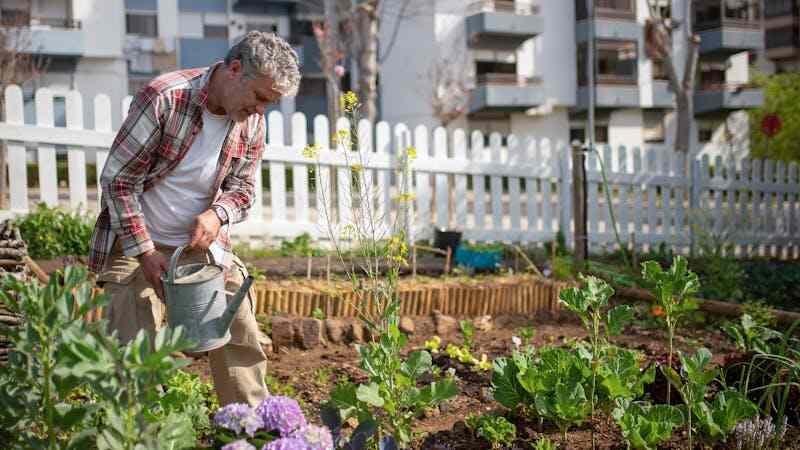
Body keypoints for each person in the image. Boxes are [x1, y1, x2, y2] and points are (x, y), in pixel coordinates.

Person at [88, 31, 301, 407]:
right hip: (135, 244)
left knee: (239, 331)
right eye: (260, 97)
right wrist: (144, 252)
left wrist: (218, 215)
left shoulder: (250, 120)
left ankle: (249, 432)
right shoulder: (166, 98)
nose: (261, 110)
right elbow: (118, 181)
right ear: (234, 70)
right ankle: (143, 436)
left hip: (199, 247)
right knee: (133, 355)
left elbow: (243, 190)